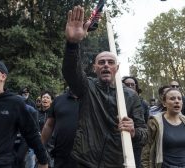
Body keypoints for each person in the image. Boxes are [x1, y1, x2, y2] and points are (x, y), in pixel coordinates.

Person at [63, 6, 147, 167]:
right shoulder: (87, 87)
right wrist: (72, 45)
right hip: (84, 161)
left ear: (117, 67)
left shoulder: (131, 96)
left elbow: (144, 135)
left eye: (110, 62)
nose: (106, 65)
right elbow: (70, 72)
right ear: (94, 68)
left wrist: (134, 131)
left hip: (117, 162)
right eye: (101, 62)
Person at [142, 88, 185, 168]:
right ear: (164, 103)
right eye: (172, 98)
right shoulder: (154, 124)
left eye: (179, 98)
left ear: (182, 103)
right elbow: (147, 151)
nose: (177, 101)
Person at [41, 88, 79, 168]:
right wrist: (40, 148)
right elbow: (49, 125)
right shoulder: (58, 100)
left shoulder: (91, 100)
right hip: (61, 156)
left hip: (85, 157)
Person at [122, 76, 148, 168]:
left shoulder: (143, 104)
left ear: (136, 87)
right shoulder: (118, 100)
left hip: (135, 144)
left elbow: (145, 125)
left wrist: (135, 132)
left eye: (132, 85)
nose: (130, 86)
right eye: (127, 85)